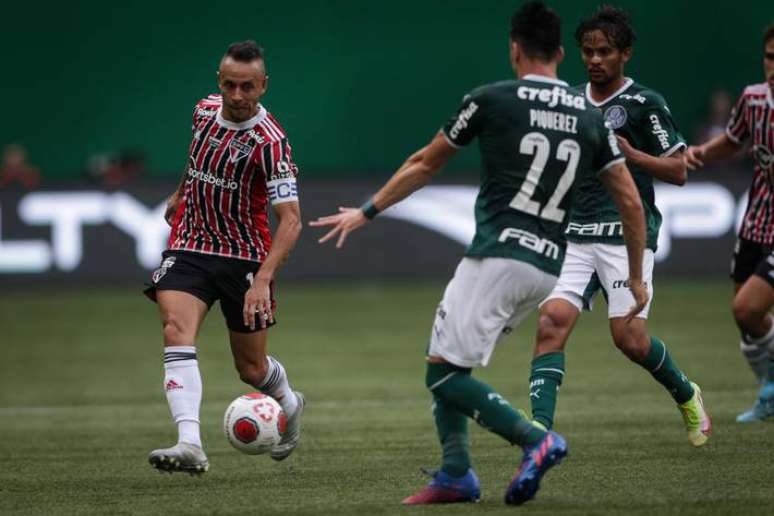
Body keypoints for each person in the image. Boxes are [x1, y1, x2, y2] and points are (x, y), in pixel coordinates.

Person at [311, 2, 646, 506]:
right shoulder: (588, 115)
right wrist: (637, 276)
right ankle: (455, 474)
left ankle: (537, 440)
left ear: (514, 49)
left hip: (499, 255)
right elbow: (630, 200)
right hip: (549, 266)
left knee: (441, 374)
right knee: (449, 359)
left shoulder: (492, 99)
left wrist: (367, 211)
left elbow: (426, 162)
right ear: (559, 53)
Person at [527, 5, 711, 447]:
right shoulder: (568, 100)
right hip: (574, 233)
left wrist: (631, 154)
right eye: (587, 51)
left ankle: (686, 392)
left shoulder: (644, 103)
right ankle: (539, 435)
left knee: (629, 339)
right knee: (551, 322)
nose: (594, 60)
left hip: (625, 233)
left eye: (604, 51)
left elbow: (679, 170)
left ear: (624, 53)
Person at [144, 40, 305, 474]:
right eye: (230, 85)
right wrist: (182, 191)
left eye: (247, 87)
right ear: (219, 81)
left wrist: (263, 280)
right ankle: (190, 443)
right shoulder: (202, 110)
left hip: (244, 259)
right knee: (176, 329)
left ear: (263, 85)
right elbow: (197, 156)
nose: (237, 96)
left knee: (251, 369)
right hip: (191, 245)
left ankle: (289, 402)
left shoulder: (270, 144)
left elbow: (290, 221)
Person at [685, 23, 774, 422]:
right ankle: (769, 392)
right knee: (748, 320)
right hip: (757, 218)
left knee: (747, 308)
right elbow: (734, 140)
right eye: (770, 57)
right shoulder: (753, 99)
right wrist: (699, 154)